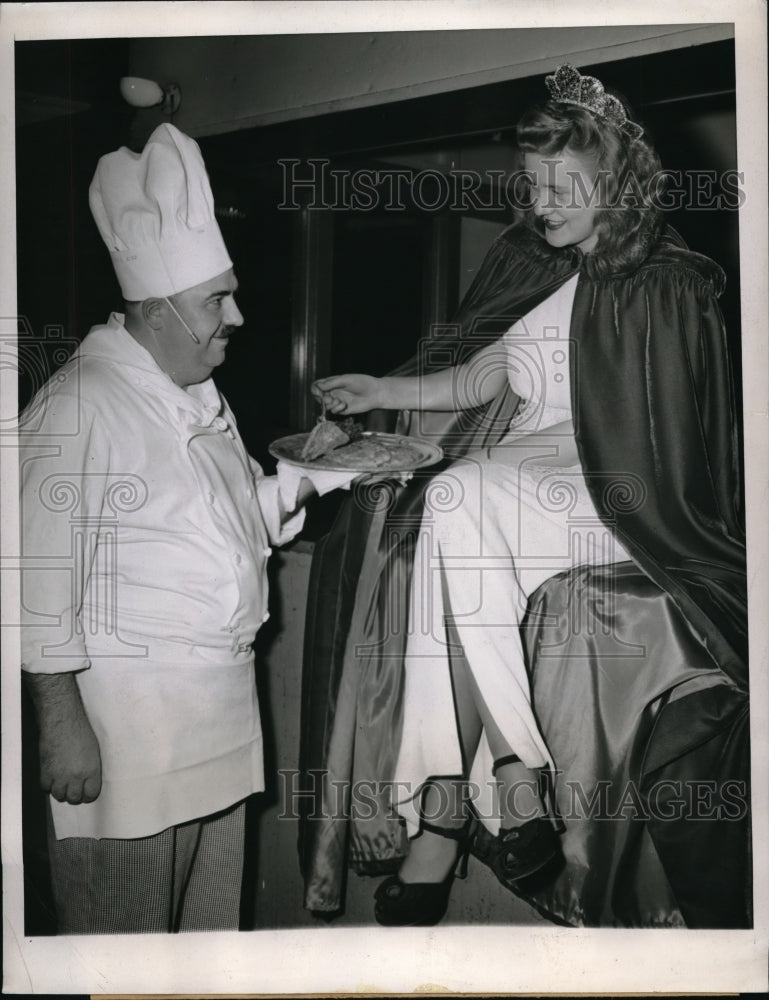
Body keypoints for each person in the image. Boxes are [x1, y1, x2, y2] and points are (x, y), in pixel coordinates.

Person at [305, 65, 748, 926]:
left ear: (613, 179)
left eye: (562, 183)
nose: (542, 201)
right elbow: (473, 381)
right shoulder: (540, 275)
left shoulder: (667, 279)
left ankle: (454, 806)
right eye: (532, 183)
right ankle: (505, 776)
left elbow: (677, 439)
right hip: (527, 484)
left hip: (617, 490)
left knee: (459, 498)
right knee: (449, 509)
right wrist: (377, 389)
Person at [19, 123, 347, 934]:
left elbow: (228, 527)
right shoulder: (80, 402)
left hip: (220, 728)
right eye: (215, 301)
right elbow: (31, 570)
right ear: (155, 309)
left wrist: (316, 474)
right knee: (120, 955)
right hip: (128, 737)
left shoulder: (197, 392)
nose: (236, 315)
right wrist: (61, 726)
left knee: (204, 958)